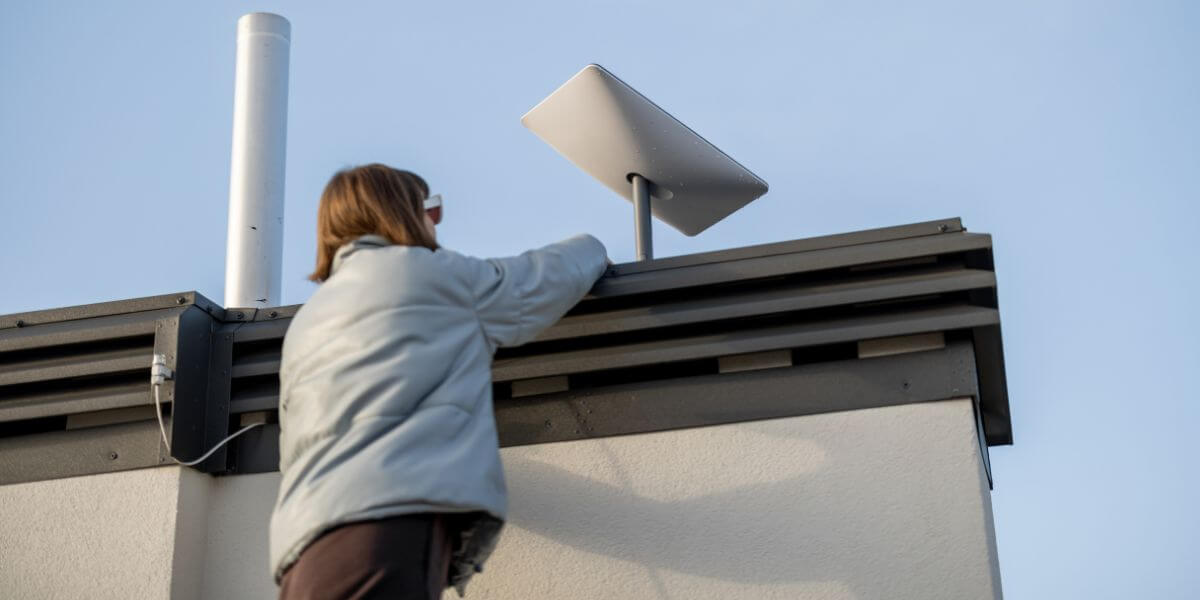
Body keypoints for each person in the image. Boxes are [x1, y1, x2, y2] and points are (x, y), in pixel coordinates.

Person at [269, 163, 609, 599]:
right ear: (401, 212)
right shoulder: (430, 274)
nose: (435, 222)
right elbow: (532, 284)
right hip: (383, 532)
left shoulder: (309, 319)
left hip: (305, 554)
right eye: (429, 208)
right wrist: (594, 247)